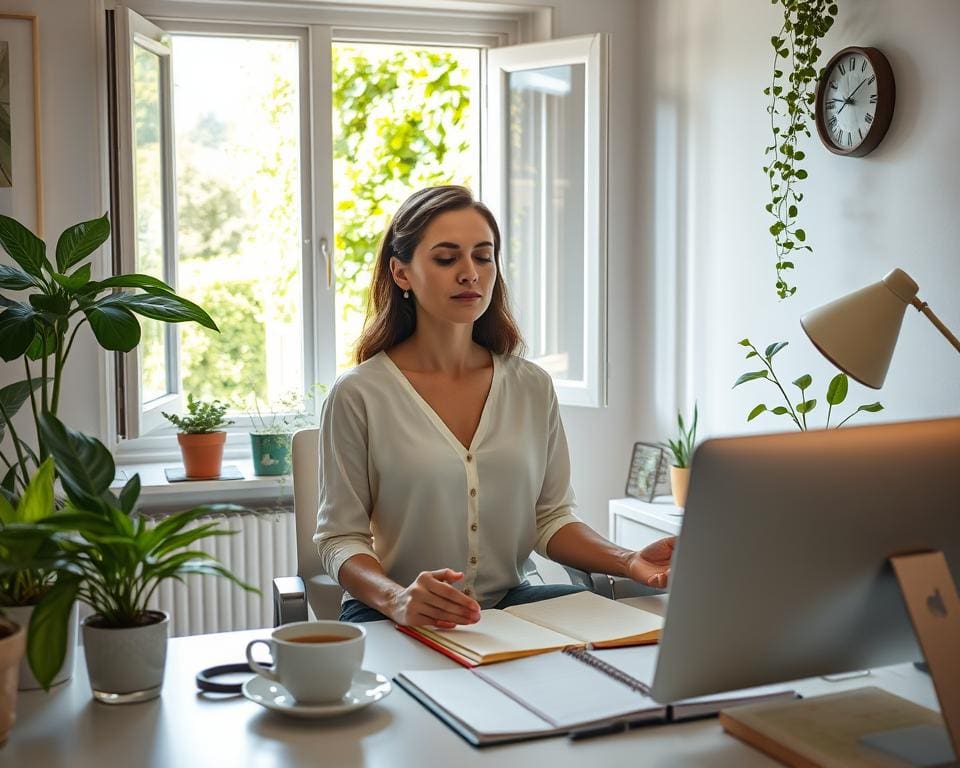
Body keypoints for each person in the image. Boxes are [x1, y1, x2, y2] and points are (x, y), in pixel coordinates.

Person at [314, 185, 675, 628]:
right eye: (447, 259)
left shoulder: (532, 387)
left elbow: (551, 519)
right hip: (390, 612)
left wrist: (630, 559)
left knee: (626, 650)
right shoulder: (358, 394)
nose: (470, 273)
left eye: (483, 257)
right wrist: (397, 598)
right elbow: (340, 539)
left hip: (510, 605)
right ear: (401, 273)